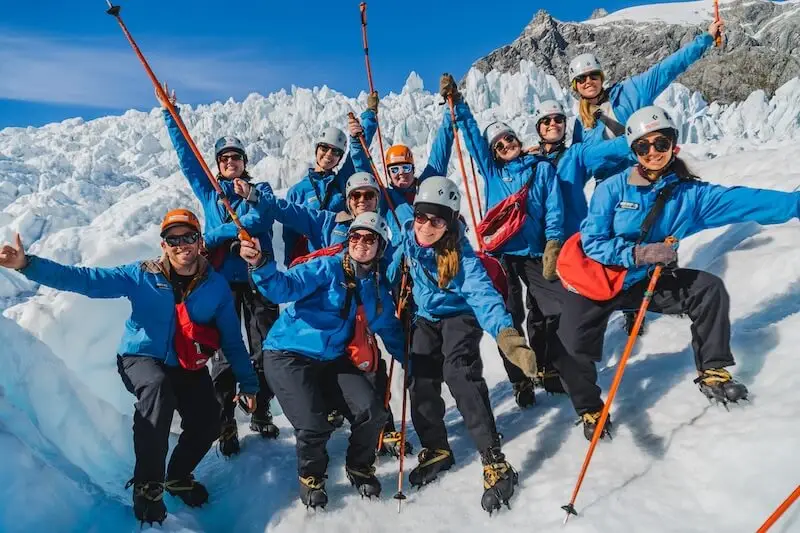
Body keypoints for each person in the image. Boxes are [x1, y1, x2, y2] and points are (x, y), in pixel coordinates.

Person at [0, 209, 259, 525]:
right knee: (157, 390)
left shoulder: (215, 286)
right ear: (163, 244)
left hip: (187, 363)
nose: (181, 245)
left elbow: (232, 340)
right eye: (172, 239)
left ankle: (177, 476)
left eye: (188, 237)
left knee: (208, 420)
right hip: (141, 357)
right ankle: (148, 485)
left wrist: (248, 383)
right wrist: (28, 265)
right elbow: (86, 280)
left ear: (199, 240)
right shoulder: (143, 275)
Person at [557, 106, 800, 440]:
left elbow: (745, 201)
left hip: (644, 283)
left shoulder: (690, 195)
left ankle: (712, 369)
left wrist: (795, 204)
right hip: (596, 283)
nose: (653, 152)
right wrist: (637, 254)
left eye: (661, 142)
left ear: (675, 144)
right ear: (634, 152)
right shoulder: (612, 189)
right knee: (571, 346)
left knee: (707, 289)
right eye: (644, 146)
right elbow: (593, 242)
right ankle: (589, 408)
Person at [388, 176, 537, 514]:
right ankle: (436, 447)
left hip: (459, 314)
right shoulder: (407, 235)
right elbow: (391, 264)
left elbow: (483, 296)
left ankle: (493, 458)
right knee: (421, 376)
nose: (426, 226)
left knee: (458, 372)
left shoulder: (462, 256)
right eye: (422, 217)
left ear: (450, 222)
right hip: (425, 314)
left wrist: (506, 335)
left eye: (436, 220)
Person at [240, 212, 405, 509]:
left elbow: (389, 328)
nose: (361, 244)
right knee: (313, 423)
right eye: (355, 237)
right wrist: (260, 264)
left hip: (331, 360)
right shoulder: (327, 268)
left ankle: (359, 466)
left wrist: (413, 361)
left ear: (380, 248)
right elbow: (283, 288)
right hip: (288, 353)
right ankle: (311, 476)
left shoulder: (375, 289)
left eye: (370, 239)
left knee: (373, 411)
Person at [157, 87, 280, 457]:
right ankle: (225, 420)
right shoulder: (211, 194)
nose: (230, 162)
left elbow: (261, 218)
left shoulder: (259, 191)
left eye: (235, 157)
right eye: (224, 158)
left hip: (257, 280)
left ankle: (260, 408)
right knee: (225, 351)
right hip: (221, 282)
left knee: (263, 347)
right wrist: (170, 115)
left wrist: (242, 210)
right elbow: (186, 158)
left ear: (244, 162)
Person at [443, 74, 564, 408]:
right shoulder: (492, 171)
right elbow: (471, 139)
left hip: (535, 252)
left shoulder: (539, 167)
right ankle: (520, 379)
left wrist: (553, 240)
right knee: (508, 316)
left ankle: (547, 365)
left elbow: (553, 206)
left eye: (509, 140)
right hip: (500, 254)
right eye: (499, 145)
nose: (506, 146)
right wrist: (459, 104)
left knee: (553, 307)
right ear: (494, 151)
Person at [569, 20, 724, 158]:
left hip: (645, 171)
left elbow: (669, 68)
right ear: (575, 86)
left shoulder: (630, 92)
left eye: (594, 75)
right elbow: (577, 166)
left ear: (601, 78)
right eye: (581, 79)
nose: (588, 81)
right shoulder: (580, 125)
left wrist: (707, 38)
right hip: (609, 185)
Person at [283, 93, 380, 264]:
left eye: (336, 152)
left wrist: (370, 114)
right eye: (325, 148)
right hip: (308, 260)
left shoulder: (342, 181)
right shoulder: (297, 191)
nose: (329, 155)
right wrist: (290, 264)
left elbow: (360, 147)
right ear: (317, 149)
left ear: (340, 158)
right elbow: (289, 233)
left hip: (339, 258)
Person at [349, 106, 455, 241]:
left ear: (413, 169)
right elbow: (364, 170)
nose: (401, 173)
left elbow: (440, 151)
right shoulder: (385, 198)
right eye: (394, 170)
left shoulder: (428, 187)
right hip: (403, 258)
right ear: (388, 174)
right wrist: (357, 143)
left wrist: (450, 111)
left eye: (405, 168)